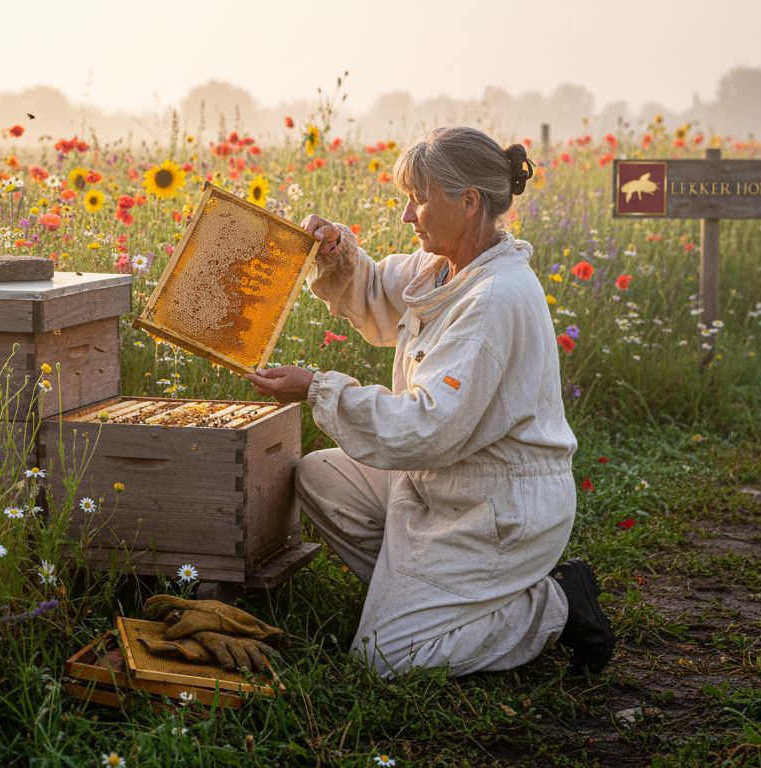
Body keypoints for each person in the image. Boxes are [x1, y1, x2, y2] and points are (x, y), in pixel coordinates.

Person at [244, 127, 614, 678]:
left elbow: (426, 426)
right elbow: (375, 289)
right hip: (442, 481)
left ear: (468, 203)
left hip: (496, 507)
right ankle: (424, 599)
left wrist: (317, 387)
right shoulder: (443, 268)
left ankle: (552, 604)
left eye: (419, 199)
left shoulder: (495, 298)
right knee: (322, 477)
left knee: (386, 658)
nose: (407, 215)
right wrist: (337, 250)